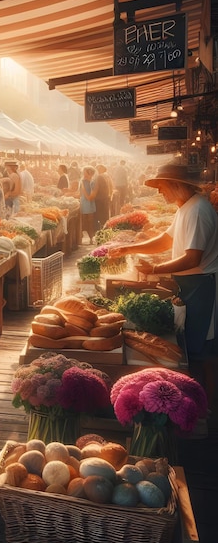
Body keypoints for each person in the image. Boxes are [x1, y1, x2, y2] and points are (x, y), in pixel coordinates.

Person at [108, 163, 218, 386]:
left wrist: (156, 269)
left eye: (162, 186)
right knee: (192, 346)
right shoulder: (185, 208)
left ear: (177, 185)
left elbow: (192, 258)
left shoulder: (197, 210)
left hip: (202, 287)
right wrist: (129, 248)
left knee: (203, 350)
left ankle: (207, 407)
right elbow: (166, 240)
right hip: (190, 285)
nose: (160, 191)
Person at [79, 165, 97, 244]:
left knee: (89, 221)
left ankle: (91, 237)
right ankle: (85, 237)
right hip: (84, 203)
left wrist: (83, 189)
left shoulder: (92, 182)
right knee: (84, 221)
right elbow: (80, 193)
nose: (83, 174)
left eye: (85, 172)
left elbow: (89, 196)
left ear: (89, 173)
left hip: (88, 204)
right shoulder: (84, 181)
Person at [93, 164, 113, 231]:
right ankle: (106, 229)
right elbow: (111, 185)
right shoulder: (107, 175)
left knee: (99, 216)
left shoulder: (99, 177)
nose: (97, 169)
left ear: (101, 169)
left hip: (100, 199)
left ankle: (99, 231)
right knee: (105, 216)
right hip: (106, 197)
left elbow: (97, 188)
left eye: (98, 168)